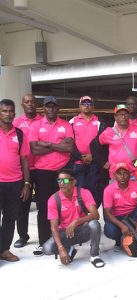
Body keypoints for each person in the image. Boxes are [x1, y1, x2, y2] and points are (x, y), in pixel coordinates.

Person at [29, 96, 74, 256]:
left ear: (58, 108)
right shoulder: (36, 125)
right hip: (43, 173)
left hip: (63, 171)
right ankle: (43, 241)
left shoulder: (66, 125)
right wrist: (58, 147)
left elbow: (69, 147)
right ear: (44, 109)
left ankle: (64, 240)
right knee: (43, 207)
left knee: (65, 205)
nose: (51, 109)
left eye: (54, 106)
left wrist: (47, 144)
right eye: (48, 107)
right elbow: (34, 149)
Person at [43, 169, 104, 268]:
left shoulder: (84, 193)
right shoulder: (53, 199)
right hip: (65, 233)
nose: (62, 183)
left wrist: (76, 221)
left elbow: (96, 215)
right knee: (47, 248)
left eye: (66, 181)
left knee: (94, 224)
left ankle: (94, 256)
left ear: (74, 182)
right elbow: (53, 227)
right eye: (59, 180)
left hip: (82, 230)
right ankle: (69, 248)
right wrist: (61, 248)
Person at [0, 99, 31, 262]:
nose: (8, 114)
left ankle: (4, 249)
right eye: (5, 111)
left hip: (15, 183)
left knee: (10, 218)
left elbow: (25, 160)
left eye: (11, 111)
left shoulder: (19, 134)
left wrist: (26, 183)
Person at [13, 94, 42, 248]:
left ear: (35, 104)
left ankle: (46, 234)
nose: (30, 104)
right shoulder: (16, 123)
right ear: (22, 104)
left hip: (42, 168)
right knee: (23, 204)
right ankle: (23, 236)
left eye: (32, 102)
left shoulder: (43, 121)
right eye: (27, 102)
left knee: (43, 205)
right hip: (24, 170)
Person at [69, 96, 107, 207]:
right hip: (78, 164)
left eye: (89, 103)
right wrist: (80, 157)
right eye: (84, 103)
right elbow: (70, 143)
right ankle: (81, 218)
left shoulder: (100, 122)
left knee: (95, 192)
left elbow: (103, 144)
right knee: (79, 192)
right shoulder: (72, 122)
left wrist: (94, 157)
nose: (86, 106)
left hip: (95, 164)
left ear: (93, 106)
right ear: (79, 106)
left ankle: (92, 217)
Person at [103, 162, 137, 248]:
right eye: (119, 174)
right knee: (109, 230)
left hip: (134, 214)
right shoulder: (108, 190)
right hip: (118, 217)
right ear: (114, 175)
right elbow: (107, 213)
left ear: (130, 174)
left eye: (125, 173)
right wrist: (122, 226)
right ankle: (119, 239)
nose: (122, 176)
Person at [99, 104, 137, 179]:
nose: (123, 117)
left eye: (125, 114)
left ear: (129, 116)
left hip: (135, 173)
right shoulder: (108, 132)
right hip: (116, 174)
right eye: (120, 114)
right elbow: (96, 145)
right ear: (115, 117)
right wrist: (103, 161)